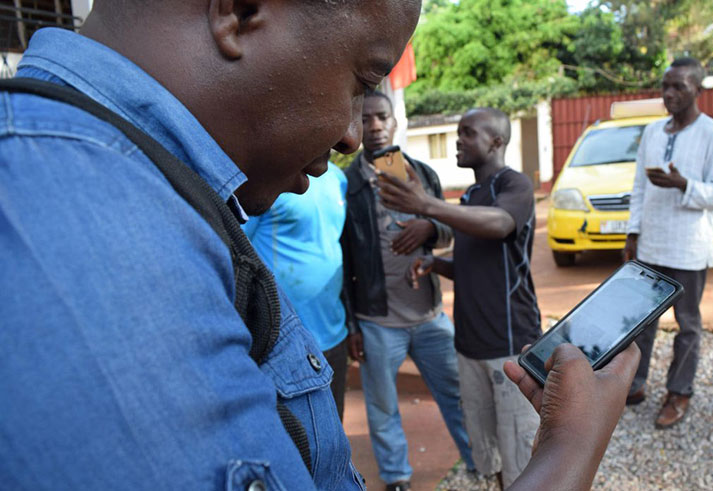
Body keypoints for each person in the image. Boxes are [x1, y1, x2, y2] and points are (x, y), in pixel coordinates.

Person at [0, 1, 640, 489]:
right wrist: (570, 447)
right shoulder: (81, 246)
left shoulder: (143, 187)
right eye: (362, 78)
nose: (351, 135)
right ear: (240, 11)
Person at [378, 107, 543, 488]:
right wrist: (434, 264)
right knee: (490, 453)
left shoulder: (513, 185)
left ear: (496, 142)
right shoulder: (470, 196)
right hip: (469, 347)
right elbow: (471, 262)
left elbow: (501, 224)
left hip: (510, 346)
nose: (458, 139)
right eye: (459, 132)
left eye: (468, 133)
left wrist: (427, 206)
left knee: (522, 454)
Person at [342, 90, 474, 491]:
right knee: (382, 408)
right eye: (366, 120)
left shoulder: (421, 174)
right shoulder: (348, 186)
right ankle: (397, 477)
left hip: (430, 316)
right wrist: (352, 325)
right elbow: (343, 260)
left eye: (382, 117)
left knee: (458, 395)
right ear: (356, 126)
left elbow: (454, 226)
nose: (376, 126)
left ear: (395, 121)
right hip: (378, 321)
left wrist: (431, 227)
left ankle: (479, 461)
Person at [623, 57, 713, 429]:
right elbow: (638, 187)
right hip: (651, 243)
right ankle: (634, 384)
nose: (669, 94)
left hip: (688, 248)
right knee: (642, 322)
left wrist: (685, 185)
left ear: (698, 91)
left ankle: (679, 391)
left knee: (686, 324)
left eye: (679, 87)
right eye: (665, 86)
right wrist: (632, 232)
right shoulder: (653, 133)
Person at [243, 163, 350, 421]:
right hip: (280, 339)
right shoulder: (267, 179)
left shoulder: (338, 177)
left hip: (332, 331)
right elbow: (237, 249)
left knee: (334, 429)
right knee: (291, 441)